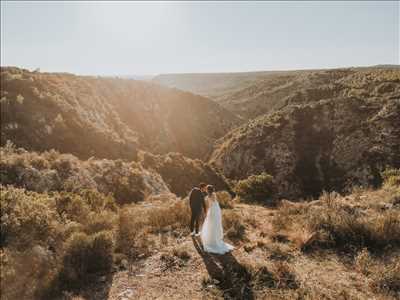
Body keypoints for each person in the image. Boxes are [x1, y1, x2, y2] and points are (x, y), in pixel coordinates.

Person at [200, 185, 234, 254]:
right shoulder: (211, 195)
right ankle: (212, 239)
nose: (206, 190)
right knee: (212, 223)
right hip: (215, 209)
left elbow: (211, 202)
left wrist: (207, 198)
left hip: (214, 210)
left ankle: (213, 240)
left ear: (208, 190)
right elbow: (210, 204)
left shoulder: (212, 195)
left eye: (206, 189)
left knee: (214, 224)